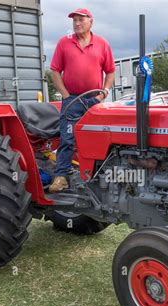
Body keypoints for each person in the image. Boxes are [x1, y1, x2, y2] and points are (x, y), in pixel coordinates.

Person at [48, 8, 115, 193]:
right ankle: (61, 177)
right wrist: (65, 94)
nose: (77, 23)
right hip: (72, 100)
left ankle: (99, 177)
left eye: (81, 20)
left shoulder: (102, 44)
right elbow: (54, 70)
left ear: (90, 22)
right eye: (74, 20)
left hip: (94, 100)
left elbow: (110, 70)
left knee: (98, 138)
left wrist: (104, 93)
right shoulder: (64, 43)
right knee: (67, 138)